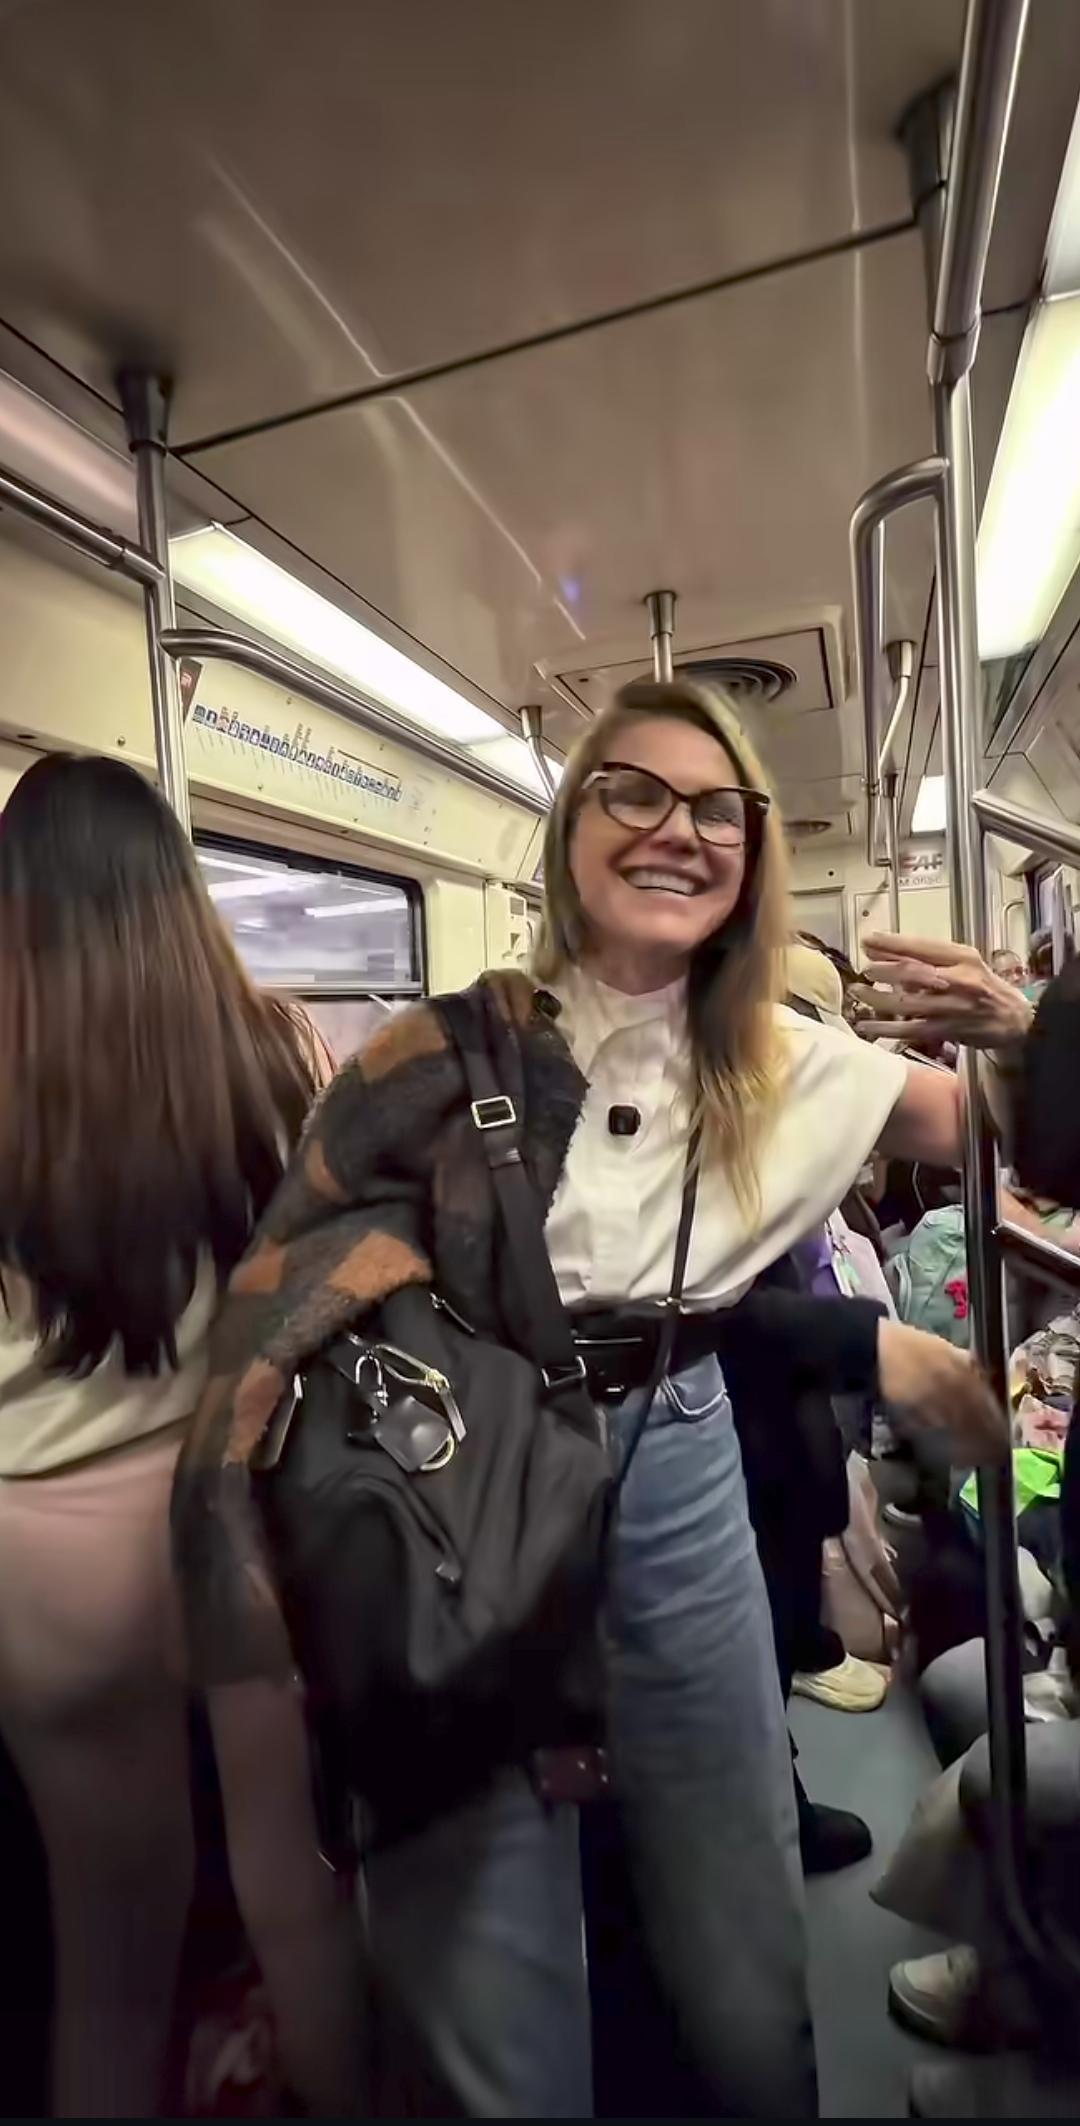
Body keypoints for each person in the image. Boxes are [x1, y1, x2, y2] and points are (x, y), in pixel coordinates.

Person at [173, 678, 1011, 2119]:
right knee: (478, 1935)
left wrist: (1018, 1018)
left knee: (735, 1895)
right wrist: (260, 1578)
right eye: (634, 792)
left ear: (752, 851)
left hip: (678, 1447)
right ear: (571, 830)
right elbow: (291, 1302)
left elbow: (1022, 1128)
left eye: (716, 810)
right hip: (467, 1469)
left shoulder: (787, 1062)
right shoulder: (438, 1053)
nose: (677, 830)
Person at [0, 754, 327, 2118]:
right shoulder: (276, 1050)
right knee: (292, 1883)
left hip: (40, 1565)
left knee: (109, 1956)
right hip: (226, 1503)